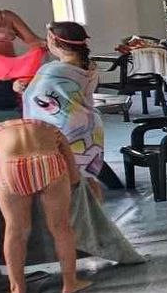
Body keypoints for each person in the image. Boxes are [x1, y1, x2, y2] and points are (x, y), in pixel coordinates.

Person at [0, 118, 86, 293]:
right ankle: (70, 283)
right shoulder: (51, 129)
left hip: (10, 169)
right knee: (60, 227)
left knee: (15, 231)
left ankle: (18, 289)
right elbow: (75, 177)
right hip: (48, 163)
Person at [21, 22, 107, 184]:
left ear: (53, 41)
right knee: (86, 180)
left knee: (60, 182)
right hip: (89, 126)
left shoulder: (52, 70)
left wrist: (22, 89)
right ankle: (91, 208)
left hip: (62, 129)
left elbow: (36, 98)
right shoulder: (90, 66)